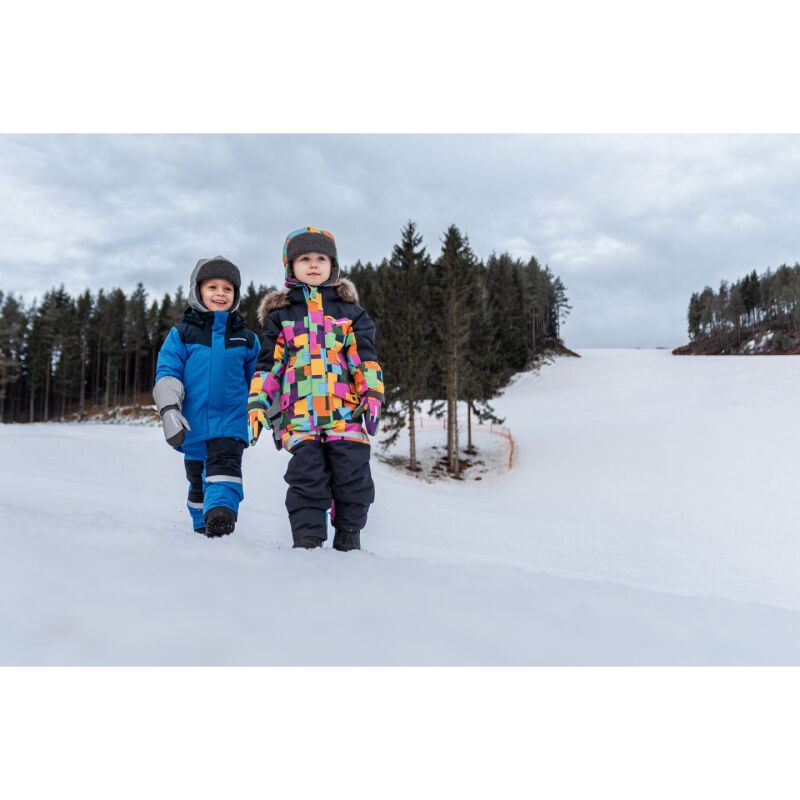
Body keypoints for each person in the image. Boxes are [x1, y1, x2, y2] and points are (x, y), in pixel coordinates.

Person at [248, 227, 384, 551]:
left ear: (332, 265)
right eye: (304, 259)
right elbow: (269, 365)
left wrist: (373, 393)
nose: (313, 264)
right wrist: (257, 402)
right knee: (307, 476)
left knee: (353, 474)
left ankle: (349, 533)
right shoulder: (280, 317)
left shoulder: (351, 314)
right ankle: (307, 540)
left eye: (321, 258)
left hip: (345, 413)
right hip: (300, 415)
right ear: (290, 267)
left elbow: (364, 358)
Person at [153, 256, 260, 537]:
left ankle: (221, 515)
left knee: (224, 470)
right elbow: (168, 373)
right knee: (198, 480)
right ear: (197, 291)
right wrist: (169, 409)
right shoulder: (182, 335)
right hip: (194, 425)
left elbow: (260, 380)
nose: (220, 294)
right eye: (212, 287)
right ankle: (201, 524)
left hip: (231, 424)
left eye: (228, 288)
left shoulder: (247, 339)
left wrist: (268, 408)